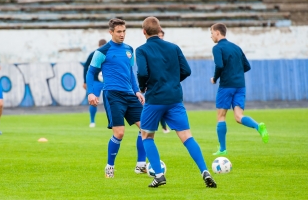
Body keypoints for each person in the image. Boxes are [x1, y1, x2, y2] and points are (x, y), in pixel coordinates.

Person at [137, 17, 216, 188]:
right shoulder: (174, 47)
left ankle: (159, 175)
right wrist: (173, 81)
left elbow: (142, 72)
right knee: (187, 136)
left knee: (146, 136)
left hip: (155, 99)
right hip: (174, 98)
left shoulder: (141, 50)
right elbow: (186, 70)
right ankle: (205, 171)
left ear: (144, 32)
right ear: (160, 30)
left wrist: (142, 87)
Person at [86, 18, 146, 178]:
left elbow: (131, 72)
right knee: (119, 133)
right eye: (119, 31)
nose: (122, 34)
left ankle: (141, 165)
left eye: (124, 31)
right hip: (113, 95)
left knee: (146, 128)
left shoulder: (129, 49)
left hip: (129, 94)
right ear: (111, 32)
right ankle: (109, 166)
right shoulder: (102, 51)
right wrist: (91, 92)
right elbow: (90, 72)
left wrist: (137, 91)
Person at [210, 23, 268, 155]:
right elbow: (247, 66)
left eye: (212, 33)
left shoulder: (217, 48)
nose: (211, 36)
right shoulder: (236, 47)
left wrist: (215, 78)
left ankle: (223, 149)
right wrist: (235, 70)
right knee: (238, 116)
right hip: (240, 86)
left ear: (218, 33)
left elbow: (219, 65)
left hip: (226, 86)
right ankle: (258, 126)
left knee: (221, 116)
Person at [83, 39, 107, 127]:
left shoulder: (109, 54)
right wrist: (85, 81)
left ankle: (112, 121)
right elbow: (86, 65)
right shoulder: (94, 54)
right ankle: (92, 121)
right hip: (96, 81)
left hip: (107, 82)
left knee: (111, 100)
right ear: (99, 46)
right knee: (94, 100)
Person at [157, 29, 171, 134]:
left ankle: (164, 126)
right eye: (159, 35)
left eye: (162, 35)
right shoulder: (151, 49)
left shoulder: (168, 49)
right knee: (159, 105)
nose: (160, 37)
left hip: (166, 82)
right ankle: (164, 127)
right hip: (156, 82)